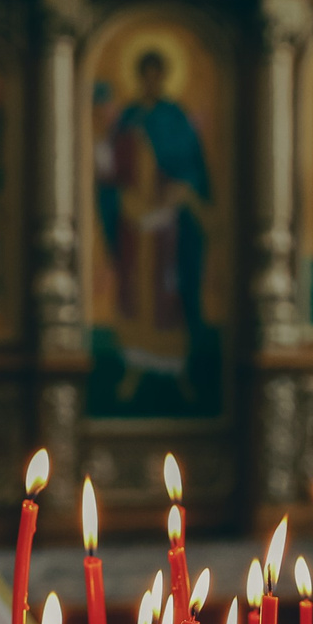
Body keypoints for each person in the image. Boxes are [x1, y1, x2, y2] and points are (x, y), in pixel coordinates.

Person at [93, 46, 212, 404]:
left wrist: (175, 196)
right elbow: (113, 173)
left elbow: (191, 168)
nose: (150, 81)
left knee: (169, 291)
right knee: (135, 289)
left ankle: (178, 369)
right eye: (145, 74)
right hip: (133, 223)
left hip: (168, 226)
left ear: (163, 77)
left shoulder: (175, 117)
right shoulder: (128, 118)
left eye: (156, 74)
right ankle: (135, 366)